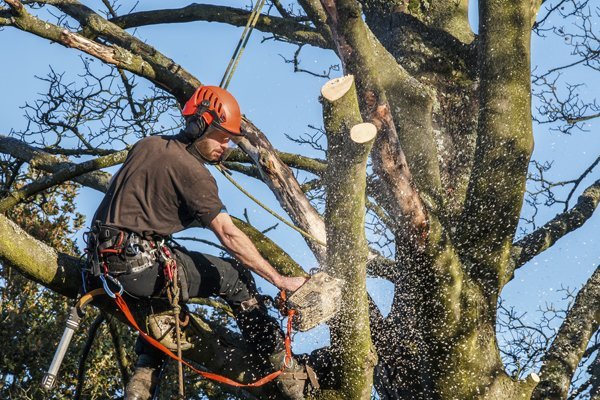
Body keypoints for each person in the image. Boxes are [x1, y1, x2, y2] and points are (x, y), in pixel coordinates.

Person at [86, 86, 318, 400]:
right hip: (139, 268)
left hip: (101, 266)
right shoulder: (194, 173)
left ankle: (141, 381)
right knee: (235, 277)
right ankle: (285, 370)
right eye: (222, 137)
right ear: (201, 126)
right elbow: (229, 234)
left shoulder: (146, 146)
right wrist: (279, 280)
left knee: (169, 289)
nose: (227, 146)